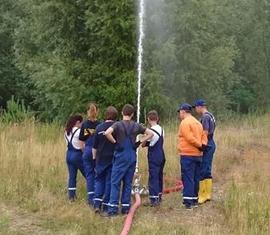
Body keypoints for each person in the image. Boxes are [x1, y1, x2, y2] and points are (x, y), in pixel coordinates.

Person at [103, 104, 154, 217]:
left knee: (115, 182)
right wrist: (140, 141)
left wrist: (115, 142)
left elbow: (107, 133)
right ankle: (126, 208)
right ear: (132, 114)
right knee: (127, 183)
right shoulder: (136, 126)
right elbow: (151, 133)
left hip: (120, 155)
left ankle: (112, 209)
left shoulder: (117, 124)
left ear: (122, 113)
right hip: (131, 155)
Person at [177, 103, 207, 210]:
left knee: (188, 177)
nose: (179, 115)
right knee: (195, 177)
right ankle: (194, 199)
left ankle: (188, 201)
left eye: (180, 112)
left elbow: (189, 137)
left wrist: (199, 145)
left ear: (183, 111)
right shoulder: (198, 122)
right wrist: (203, 145)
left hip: (187, 154)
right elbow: (204, 135)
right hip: (198, 155)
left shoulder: (185, 123)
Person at [92, 106, 118, 213]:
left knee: (98, 180)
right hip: (112, 158)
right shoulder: (116, 128)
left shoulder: (99, 128)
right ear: (115, 117)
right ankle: (106, 204)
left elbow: (94, 146)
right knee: (109, 181)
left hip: (100, 158)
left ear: (105, 115)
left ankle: (97, 203)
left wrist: (94, 158)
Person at [193, 99, 216, 204]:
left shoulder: (205, 117)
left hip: (207, 144)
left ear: (200, 106)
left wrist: (201, 146)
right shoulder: (210, 115)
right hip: (211, 144)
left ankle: (202, 195)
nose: (196, 110)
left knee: (203, 168)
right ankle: (208, 194)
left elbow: (205, 132)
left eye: (196, 107)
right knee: (207, 168)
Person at [142, 110, 166, 207]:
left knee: (153, 177)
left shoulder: (150, 131)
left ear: (148, 119)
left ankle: (153, 199)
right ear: (157, 118)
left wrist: (143, 136)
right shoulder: (161, 129)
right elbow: (156, 141)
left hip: (154, 155)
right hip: (161, 154)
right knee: (159, 176)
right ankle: (159, 196)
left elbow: (143, 144)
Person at [79, 103, 101, 206]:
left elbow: (81, 142)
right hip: (98, 152)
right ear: (97, 112)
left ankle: (91, 198)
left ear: (88, 112)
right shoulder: (100, 125)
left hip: (87, 150)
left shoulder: (84, 125)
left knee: (89, 175)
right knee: (98, 174)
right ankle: (98, 196)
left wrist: (84, 152)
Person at [64, 115, 85, 201]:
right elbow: (92, 131)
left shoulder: (66, 131)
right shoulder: (79, 131)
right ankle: (93, 192)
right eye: (81, 123)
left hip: (68, 154)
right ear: (77, 122)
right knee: (87, 174)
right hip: (77, 155)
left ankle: (71, 196)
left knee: (72, 176)